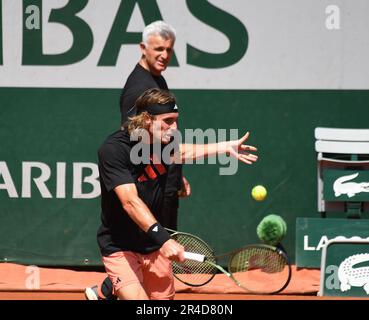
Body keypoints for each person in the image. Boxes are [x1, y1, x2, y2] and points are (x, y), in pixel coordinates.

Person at [92, 88, 258, 300]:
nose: (174, 127)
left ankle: (104, 295)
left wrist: (224, 146)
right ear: (145, 120)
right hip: (120, 245)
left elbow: (184, 152)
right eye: (168, 121)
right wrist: (164, 239)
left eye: (176, 120)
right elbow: (130, 202)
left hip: (152, 246)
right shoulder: (114, 149)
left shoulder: (164, 141)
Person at [85, 21, 189, 300]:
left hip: (160, 176)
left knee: (152, 253)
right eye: (158, 48)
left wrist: (176, 171)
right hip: (148, 184)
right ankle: (112, 288)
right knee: (147, 238)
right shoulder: (139, 89)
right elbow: (137, 144)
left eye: (169, 49)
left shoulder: (156, 80)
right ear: (142, 48)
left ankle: (108, 290)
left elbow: (162, 142)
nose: (164, 55)